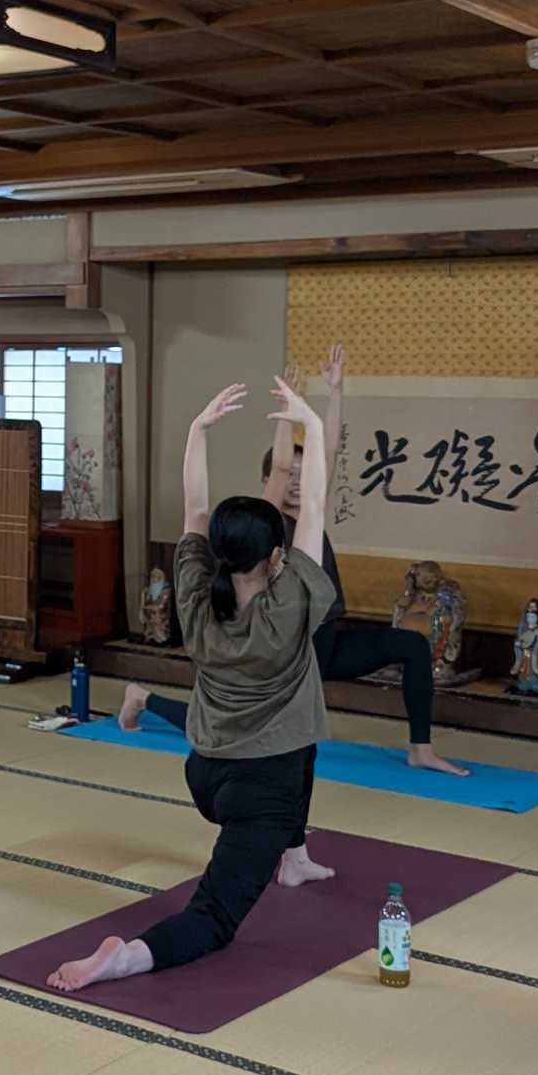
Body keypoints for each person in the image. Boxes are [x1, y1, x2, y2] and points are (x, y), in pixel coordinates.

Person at [51, 376, 335, 993]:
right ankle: (126, 958)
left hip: (206, 772)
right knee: (213, 920)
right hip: (262, 788)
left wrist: (195, 432)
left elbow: (194, 509)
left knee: (288, 763)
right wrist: (311, 424)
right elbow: (312, 509)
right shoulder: (289, 608)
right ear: (276, 560)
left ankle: (292, 857)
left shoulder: (196, 597)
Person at [120, 345, 469, 777]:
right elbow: (283, 467)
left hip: (323, 638)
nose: (299, 483)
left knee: (412, 646)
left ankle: (421, 748)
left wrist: (336, 393)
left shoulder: (304, 519)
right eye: (291, 476)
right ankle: (146, 699)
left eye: (309, 476)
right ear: (267, 479)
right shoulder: (268, 521)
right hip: (288, 640)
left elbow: (327, 457)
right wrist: (290, 413)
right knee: (242, 720)